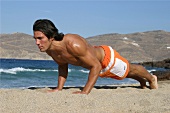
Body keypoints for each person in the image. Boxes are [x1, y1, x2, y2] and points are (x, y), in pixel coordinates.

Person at [33, 19, 158, 94]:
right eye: (35, 39)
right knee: (124, 74)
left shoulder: (73, 44)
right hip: (95, 63)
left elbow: (96, 66)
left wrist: (85, 91)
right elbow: (62, 66)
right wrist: (59, 88)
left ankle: (151, 78)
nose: (37, 43)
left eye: (40, 38)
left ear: (51, 37)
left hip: (106, 59)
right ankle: (142, 81)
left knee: (130, 70)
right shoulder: (51, 50)